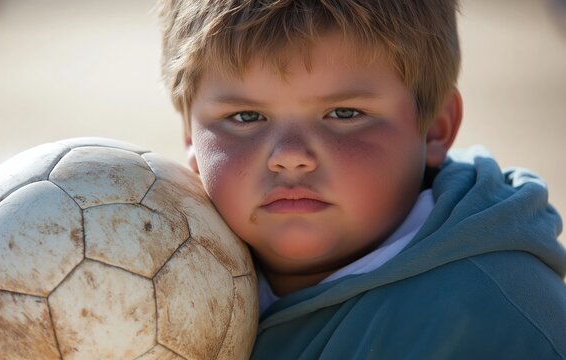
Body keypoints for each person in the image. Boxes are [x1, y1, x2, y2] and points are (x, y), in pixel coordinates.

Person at [157, 0, 566, 358]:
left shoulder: (490, 319)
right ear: (191, 137)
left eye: (343, 114)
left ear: (436, 128)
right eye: (246, 117)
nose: (290, 157)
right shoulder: (153, 279)